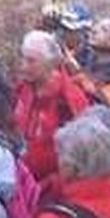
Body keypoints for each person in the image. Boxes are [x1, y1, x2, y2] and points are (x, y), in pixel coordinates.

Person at [13, 29, 92, 185]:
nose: (24, 66)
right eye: (23, 59)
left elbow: (82, 153)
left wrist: (53, 183)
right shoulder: (23, 88)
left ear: (50, 63)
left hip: (52, 186)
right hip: (21, 178)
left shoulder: (70, 99)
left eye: (31, 61)